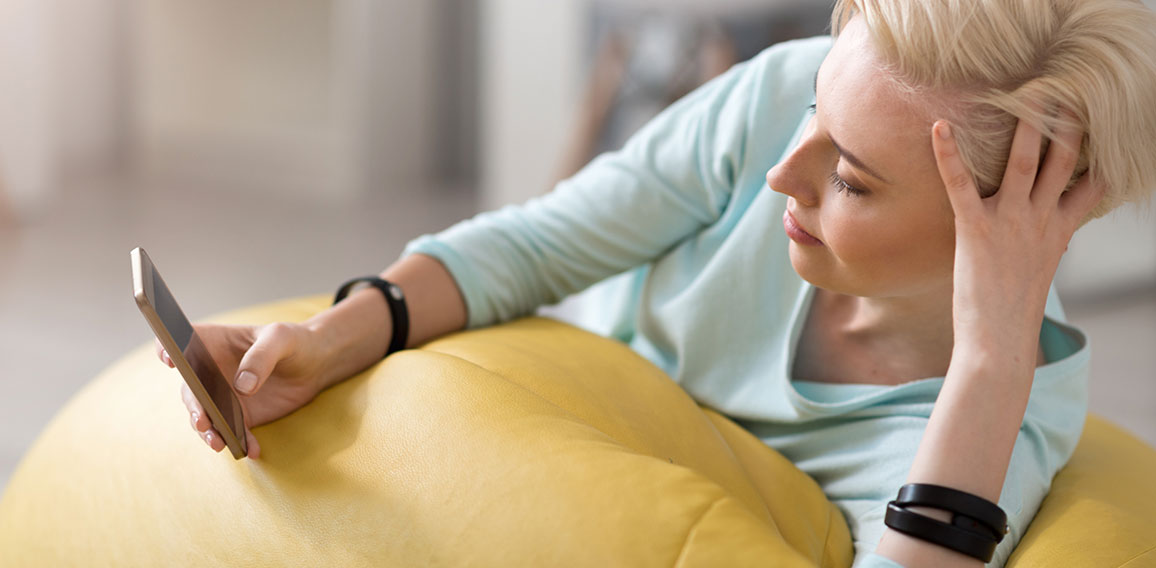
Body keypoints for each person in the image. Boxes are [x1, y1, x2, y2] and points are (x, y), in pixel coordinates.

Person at [158, 1, 1156, 566]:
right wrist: (339, 332)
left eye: (849, 177)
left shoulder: (989, 427)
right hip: (545, 402)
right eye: (814, 109)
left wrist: (986, 361)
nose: (783, 169)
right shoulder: (773, 100)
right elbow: (544, 242)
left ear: (1001, 226)